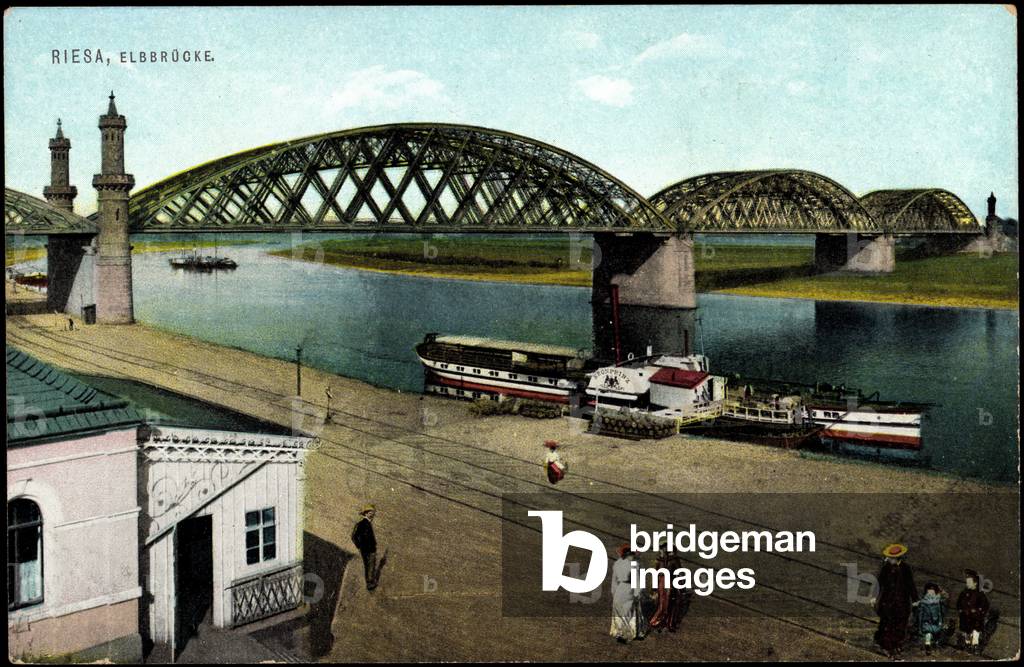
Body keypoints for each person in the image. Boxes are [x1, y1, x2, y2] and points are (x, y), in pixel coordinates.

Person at [872, 543, 918, 659]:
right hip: (887, 602)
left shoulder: (906, 568)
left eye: (891, 558)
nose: (888, 559)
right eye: (889, 557)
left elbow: (911, 585)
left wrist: (915, 600)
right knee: (887, 624)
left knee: (900, 625)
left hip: (902, 603)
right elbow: (879, 582)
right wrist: (874, 597)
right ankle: (887, 647)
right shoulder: (886, 568)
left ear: (897, 558)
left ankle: (896, 645)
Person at [609, 544, 646, 643]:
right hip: (629, 588)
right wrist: (638, 593)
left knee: (620, 611)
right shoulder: (634, 564)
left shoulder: (617, 563)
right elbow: (638, 580)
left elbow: (614, 581)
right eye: (632, 554)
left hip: (620, 589)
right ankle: (629, 633)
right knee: (630, 611)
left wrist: (614, 592)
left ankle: (620, 632)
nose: (634, 556)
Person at [648, 546, 688, 633]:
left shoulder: (661, 560)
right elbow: (680, 573)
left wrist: (654, 588)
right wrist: (682, 588)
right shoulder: (672, 560)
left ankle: (661, 623)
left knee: (664, 604)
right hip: (668, 584)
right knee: (669, 604)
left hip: (664, 585)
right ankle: (665, 623)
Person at [351, 504, 386, 591]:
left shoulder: (368, 523)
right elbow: (354, 536)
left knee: (370, 565)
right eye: (370, 513)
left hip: (370, 548)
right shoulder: (362, 524)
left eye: (373, 513)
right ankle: (370, 583)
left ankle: (370, 582)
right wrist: (359, 546)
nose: (372, 514)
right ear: (366, 514)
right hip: (367, 549)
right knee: (369, 565)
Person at [956, 569, 990, 654]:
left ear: (975, 583)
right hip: (966, 616)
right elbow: (959, 602)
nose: (967, 584)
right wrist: (960, 609)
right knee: (967, 631)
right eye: (967, 582)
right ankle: (967, 643)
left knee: (975, 631)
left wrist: (979, 611)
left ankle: (975, 645)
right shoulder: (964, 593)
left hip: (976, 617)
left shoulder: (980, 594)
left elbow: (984, 605)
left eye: (969, 582)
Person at [916, 582, 948, 654]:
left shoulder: (938, 601)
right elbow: (920, 614)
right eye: (929, 592)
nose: (930, 593)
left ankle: (935, 644)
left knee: (936, 634)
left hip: (936, 621)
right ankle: (928, 645)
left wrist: (940, 621)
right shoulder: (923, 603)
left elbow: (940, 612)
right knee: (928, 633)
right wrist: (920, 625)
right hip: (926, 621)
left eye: (932, 592)